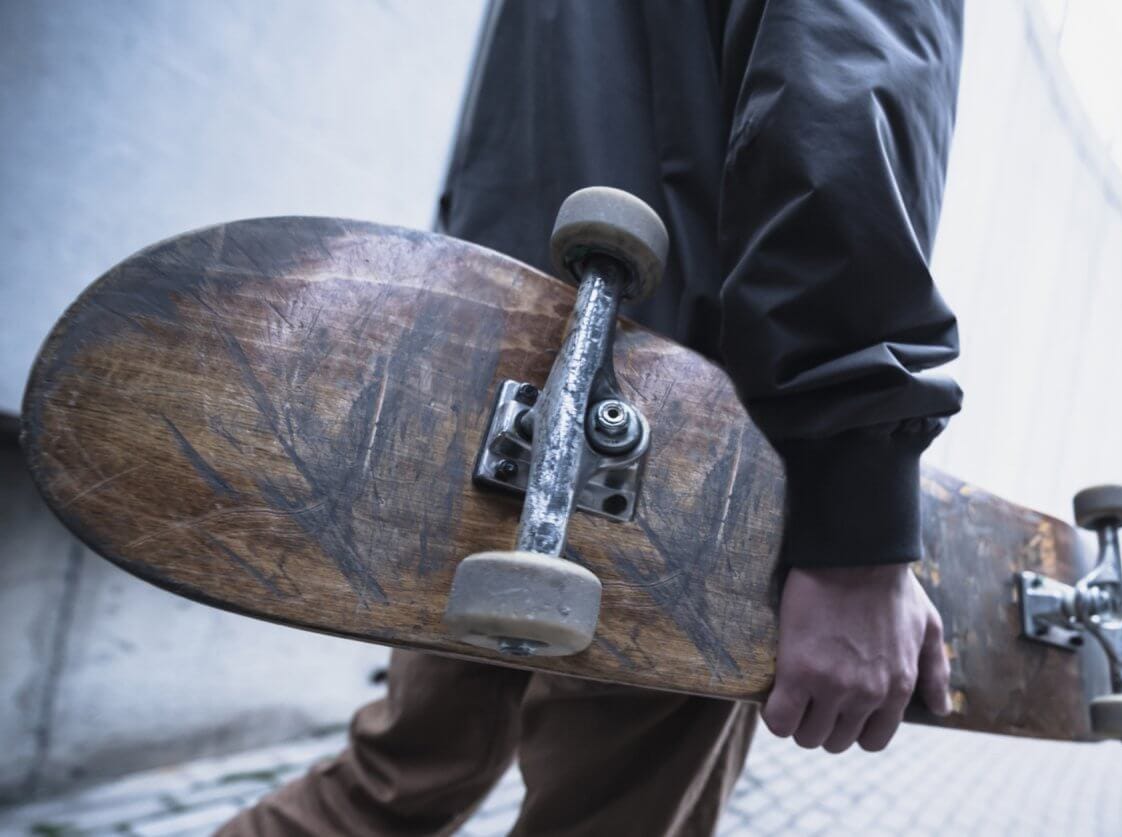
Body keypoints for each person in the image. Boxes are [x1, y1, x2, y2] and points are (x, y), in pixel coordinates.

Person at [220, 2, 965, 835]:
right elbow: (844, 111)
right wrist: (855, 534)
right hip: (676, 459)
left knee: (387, 788)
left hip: (483, 398)